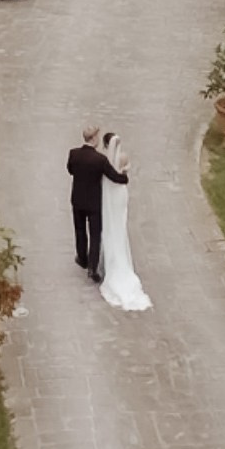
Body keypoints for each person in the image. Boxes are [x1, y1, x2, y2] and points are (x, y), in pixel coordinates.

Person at [67, 121, 128, 281]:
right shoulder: (99, 160)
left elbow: (70, 170)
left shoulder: (73, 153)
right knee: (95, 234)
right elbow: (113, 176)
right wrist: (125, 177)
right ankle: (93, 268)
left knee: (79, 230)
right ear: (94, 138)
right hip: (93, 203)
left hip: (77, 200)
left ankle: (82, 258)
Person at [98, 131, 151, 311]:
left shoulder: (104, 161)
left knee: (110, 225)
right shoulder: (123, 157)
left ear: (106, 145)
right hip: (120, 193)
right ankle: (119, 260)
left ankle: (109, 260)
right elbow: (126, 173)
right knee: (120, 224)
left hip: (110, 196)